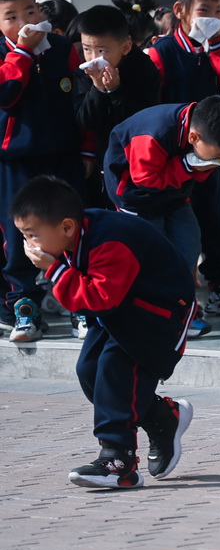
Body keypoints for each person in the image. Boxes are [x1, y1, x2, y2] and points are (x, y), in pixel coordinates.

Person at [12, 176, 196, 489]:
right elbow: (98, 301)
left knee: (114, 371)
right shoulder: (76, 237)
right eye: (24, 235)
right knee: (90, 372)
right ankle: (161, 418)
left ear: (66, 227)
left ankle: (119, 463)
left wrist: (55, 271)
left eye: (32, 235)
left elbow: (99, 298)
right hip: (122, 311)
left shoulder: (110, 241)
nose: (29, 245)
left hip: (158, 316)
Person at [103, 96, 220, 337]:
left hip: (175, 195)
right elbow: (146, 179)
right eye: (216, 156)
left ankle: (182, 313)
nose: (217, 161)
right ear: (194, 139)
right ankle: (151, 317)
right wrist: (188, 167)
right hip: (136, 198)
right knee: (152, 256)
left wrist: (196, 168)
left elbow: (196, 169)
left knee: (189, 245)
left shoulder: (203, 133)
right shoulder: (154, 133)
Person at [0, 0, 85, 342]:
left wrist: (88, 150)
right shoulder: (6, 53)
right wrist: (20, 53)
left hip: (62, 157)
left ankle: (82, 309)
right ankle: (26, 311)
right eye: (11, 16)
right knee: (19, 238)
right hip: (15, 162)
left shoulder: (62, 48)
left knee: (71, 231)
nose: (23, 22)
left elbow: (80, 101)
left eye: (30, 11)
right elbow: (6, 94)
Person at [148, 0, 220, 318]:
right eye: (204, 10)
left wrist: (216, 50)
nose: (212, 17)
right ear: (181, 11)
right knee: (175, 221)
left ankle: (219, 285)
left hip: (210, 153)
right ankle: (176, 292)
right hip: (171, 154)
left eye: (218, 9)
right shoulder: (161, 51)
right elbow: (152, 102)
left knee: (213, 218)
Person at [73, 5, 161, 205]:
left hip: (141, 164)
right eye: (87, 49)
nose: (93, 58)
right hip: (104, 162)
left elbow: (143, 120)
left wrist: (115, 90)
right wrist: (97, 88)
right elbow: (86, 121)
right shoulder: (84, 73)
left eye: (102, 50)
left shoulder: (144, 69)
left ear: (126, 47)